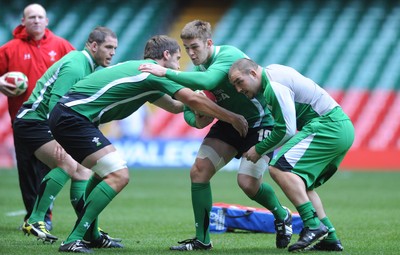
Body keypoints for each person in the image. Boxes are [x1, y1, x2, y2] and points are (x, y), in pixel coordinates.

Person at [48, 35, 247, 253]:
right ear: (166, 55)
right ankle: (74, 239)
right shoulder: (153, 72)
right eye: (178, 58)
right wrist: (232, 117)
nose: (179, 64)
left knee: (102, 172)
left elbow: (174, 105)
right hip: (73, 117)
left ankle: (91, 235)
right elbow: (192, 100)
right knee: (118, 174)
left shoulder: (146, 76)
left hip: (71, 115)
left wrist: (203, 105)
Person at [138, 20, 292, 251]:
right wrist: (199, 117)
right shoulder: (198, 72)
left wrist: (165, 72)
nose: (190, 53)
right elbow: (192, 114)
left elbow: (208, 82)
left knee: (248, 184)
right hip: (230, 124)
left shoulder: (228, 56)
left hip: (261, 124)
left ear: (209, 43)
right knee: (199, 172)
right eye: (186, 48)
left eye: (195, 47)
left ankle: (282, 215)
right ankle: (202, 239)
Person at [228, 58, 355, 252]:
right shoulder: (273, 74)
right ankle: (330, 237)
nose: (238, 89)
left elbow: (287, 130)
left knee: (279, 169)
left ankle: (312, 225)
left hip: (328, 126)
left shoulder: (273, 86)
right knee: (303, 185)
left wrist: (259, 148)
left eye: (239, 82)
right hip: (339, 126)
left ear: (253, 73)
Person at [14, 26, 121, 248]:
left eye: (115, 48)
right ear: (93, 45)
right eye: (108, 47)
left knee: (83, 171)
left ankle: (90, 230)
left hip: (45, 121)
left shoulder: (89, 67)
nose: (112, 53)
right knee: (67, 163)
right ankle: (34, 220)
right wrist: (61, 136)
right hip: (34, 120)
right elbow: (56, 101)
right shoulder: (75, 65)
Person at [0, 3, 74, 230]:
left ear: (47, 21)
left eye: (40, 17)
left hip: (50, 119)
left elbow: (77, 76)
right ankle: (32, 215)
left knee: (47, 168)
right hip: (21, 120)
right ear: (23, 21)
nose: (36, 20)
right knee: (27, 169)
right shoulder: (9, 49)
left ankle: (44, 216)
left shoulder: (61, 46)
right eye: (31, 17)